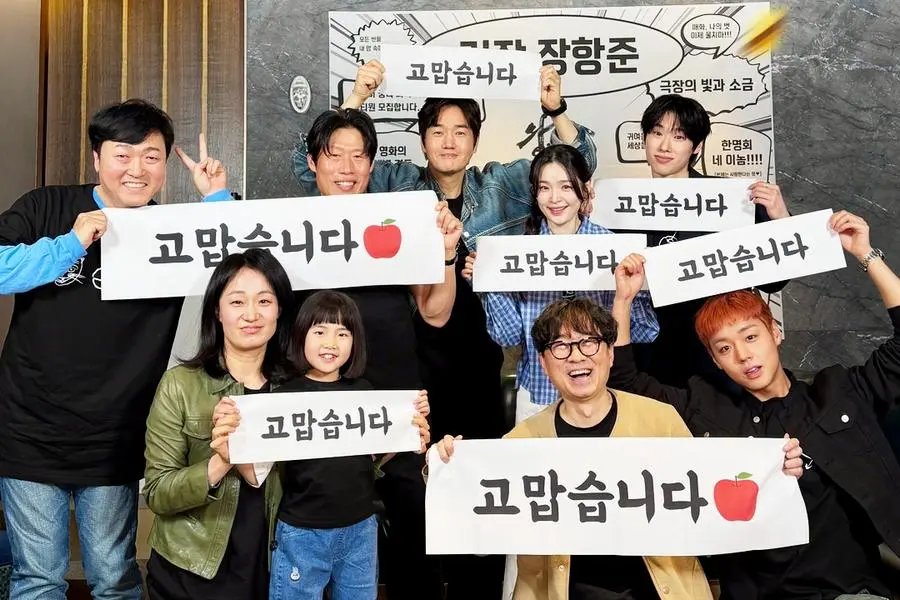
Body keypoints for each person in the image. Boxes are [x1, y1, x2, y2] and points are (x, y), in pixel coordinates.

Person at [0, 99, 228, 600]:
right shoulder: (46, 206)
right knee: (37, 579)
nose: (136, 169)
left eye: (151, 156)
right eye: (122, 155)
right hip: (28, 427)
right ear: (97, 157)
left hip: (114, 434)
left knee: (114, 577)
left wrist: (216, 201)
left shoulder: (172, 233)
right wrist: (70, 244)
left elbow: (244, 276)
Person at [610, 210, 900, 599]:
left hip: (848, 590)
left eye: (750, 337)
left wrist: (865, 253)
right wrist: (624, 299)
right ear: (715, 361)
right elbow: (625, 384)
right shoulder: (705, 408)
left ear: (775, 332)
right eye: (724, 349)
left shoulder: (838, 393)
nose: (743, 356)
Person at [433, 297, 745, 600]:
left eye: (589, 342)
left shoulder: (660, 421)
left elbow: (705, 511)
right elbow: (480, 535)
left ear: (610, 354)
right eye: (560, 346)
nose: (576, 356)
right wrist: (451, 471)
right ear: (543, 363)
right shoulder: (520, 443)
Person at [297, 107, 461, 599]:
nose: (347, 168)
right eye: (335, 155)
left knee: (413, 533)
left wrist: (446, 253)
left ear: (372, 164)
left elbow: (435, 313)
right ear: (313, 162)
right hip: (314, 411)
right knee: (313, 542)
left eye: (359, 157)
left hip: (394, 409)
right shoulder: (290, 228)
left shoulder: (397, 222)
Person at [212, 290, 430, 599]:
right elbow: (255, 474)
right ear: (301, 335)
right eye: (319, 331)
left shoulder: (365, 392)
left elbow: (374, 456)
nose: (331, 343)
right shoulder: (283, 399)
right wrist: (229, 448)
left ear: (355, 342)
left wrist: (410, 429)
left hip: (360, 529)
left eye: (343, 333)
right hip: (302, 532)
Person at [466, 144, 659, 423]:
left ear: (585, 189)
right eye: (544, 188)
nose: (554, 198)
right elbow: (508, 337)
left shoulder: (613, 248)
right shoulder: (515, 253)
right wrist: (489, 282)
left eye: (566, 187)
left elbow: (646, 332)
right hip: (539, 396)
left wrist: (631, 293)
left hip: (603, 396)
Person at [143, 249, 292, 599]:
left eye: (264, 301)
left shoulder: (300, 389)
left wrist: (391, 444)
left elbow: (328, 479)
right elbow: (157, 492)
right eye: (237, 302)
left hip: (277, 566)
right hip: (190, 569)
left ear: (280, 309)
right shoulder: (180, 384)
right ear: (217, 310)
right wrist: (221, 462)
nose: (251, 314)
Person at [633, 93, 791, 386]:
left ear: (697, 146)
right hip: (650, 358)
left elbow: (774, 282)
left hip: (720, 356)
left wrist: (780, 218)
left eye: (679, 137)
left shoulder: (731, 201)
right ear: (645, 138)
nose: (665, 146)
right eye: (656, 133)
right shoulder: (623, 206)